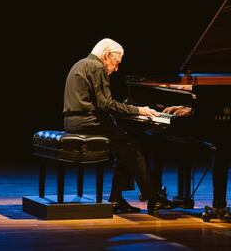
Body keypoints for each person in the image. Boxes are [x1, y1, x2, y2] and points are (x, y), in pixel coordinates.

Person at [63, 38, 173, 214]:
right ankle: (153, 198)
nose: (116, 69)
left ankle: (116, 199)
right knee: (132, 147)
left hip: (73, 122)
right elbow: (106, 105)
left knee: (124, 146)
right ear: (107, 55)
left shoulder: (81, 63)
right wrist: (138, 110)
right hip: (88, 123)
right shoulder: (97, 67)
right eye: (116, 63)